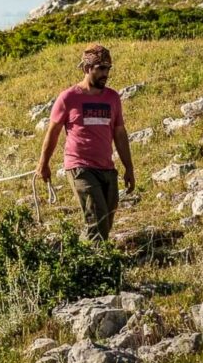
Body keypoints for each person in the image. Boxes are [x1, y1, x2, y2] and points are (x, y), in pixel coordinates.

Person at [36, 44, 135, 242]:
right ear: (86, 68)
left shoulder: (113, 98)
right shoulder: (68, 98)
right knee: (97, 218)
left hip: (107, 168)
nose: (105, 73)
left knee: (104, 221)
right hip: (80, 167)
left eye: (108, 68)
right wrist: (43, 164)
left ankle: (79, 258)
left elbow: (120, 134)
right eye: (100, 68)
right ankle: (93, 267)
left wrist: (129, 168)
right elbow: (53, 132)